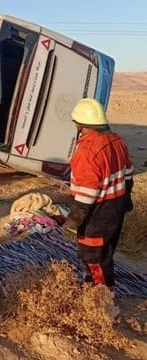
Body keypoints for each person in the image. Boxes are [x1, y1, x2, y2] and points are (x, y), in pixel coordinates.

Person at [68, 98, 134, 293]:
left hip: (98, 214)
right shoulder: (117, 141)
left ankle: (101, 300)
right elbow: (128, 174)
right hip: (116, 208)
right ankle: (105, 290)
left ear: (81, 125)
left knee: (92, 258)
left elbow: (87, 193)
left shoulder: (88, 150)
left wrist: (74, 220)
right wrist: (125, 200)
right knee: (106, 254)